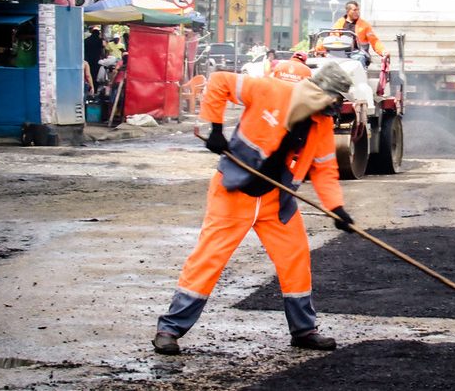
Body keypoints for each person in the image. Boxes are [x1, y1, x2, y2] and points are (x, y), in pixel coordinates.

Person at [152, 62, 357, 355]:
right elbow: (219, 81)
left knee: (295, 259)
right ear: (320, 92)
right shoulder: (270, 89)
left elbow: (324, 169)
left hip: (277, 200)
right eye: (333, 99)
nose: (334, 108)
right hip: (234, 192)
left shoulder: (320, 123)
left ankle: (303, 330)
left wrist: (337, 208)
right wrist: (216, 128)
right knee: (209, 258)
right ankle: (169, 330)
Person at [331, 0, 389, 67]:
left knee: (359, 58)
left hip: (358, 53)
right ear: (347, 11)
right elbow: (331, 38)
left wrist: (382, 51)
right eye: (354, 10)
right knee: (329, 58)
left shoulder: (364, 25)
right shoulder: (338, 24)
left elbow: (374, 41)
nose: (357, 12)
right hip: (340, 52)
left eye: (358, 10)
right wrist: (318, 50)